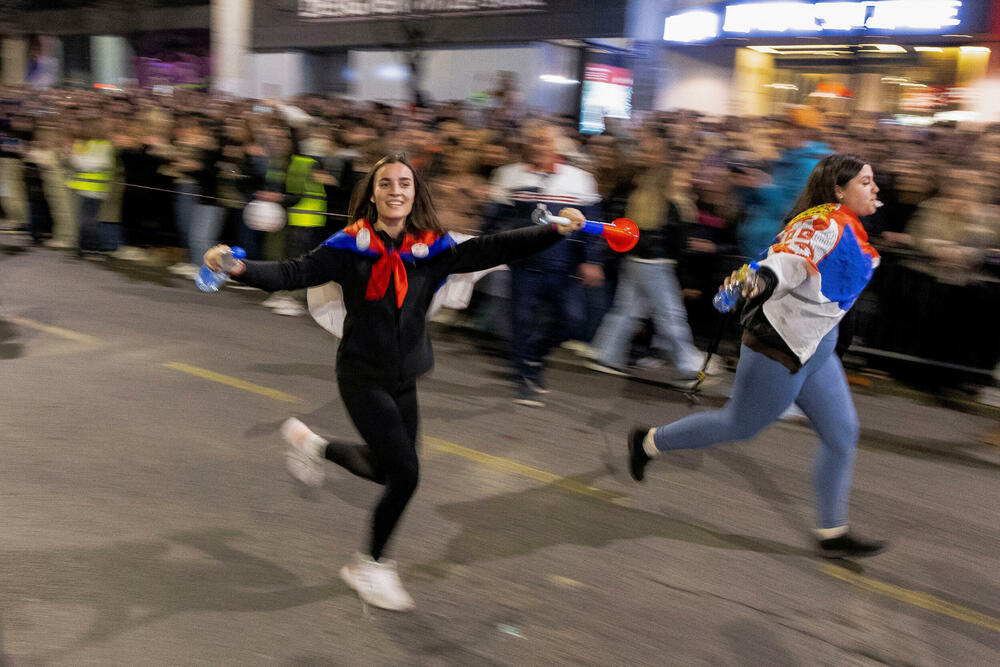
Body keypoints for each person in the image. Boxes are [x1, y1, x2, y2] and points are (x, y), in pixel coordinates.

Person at [203, 154, 583, 611]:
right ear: (373, 194)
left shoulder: (434, 248)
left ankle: (312, 445)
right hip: (362, 376)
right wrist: (236, 267)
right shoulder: (350, 246)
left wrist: (554, 230)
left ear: (414, 192)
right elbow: (293, 273)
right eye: (386, 183)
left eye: (404, 182)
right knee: (406, 476)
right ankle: (371, 565)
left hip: (406, 375)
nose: (396, 190)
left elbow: (493, 248)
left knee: (387, 470)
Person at [627, 153, 886, 559]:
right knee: (738, 425)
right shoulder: (823, 223)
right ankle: (648, 442)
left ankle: (832, 531)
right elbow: (786, 260)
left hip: (819, 349)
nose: (875, 189)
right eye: (866, 181)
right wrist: (760, 280)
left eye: (873, 182)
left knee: (842, 435)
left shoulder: (848, 227)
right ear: (839, 189)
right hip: (779, 350)